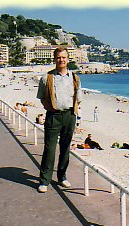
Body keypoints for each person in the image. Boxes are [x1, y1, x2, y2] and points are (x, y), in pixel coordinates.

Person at [36, 46, 82, 193]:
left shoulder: (75, 78)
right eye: (58, 57)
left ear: (68, 59)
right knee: (49, 148)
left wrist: (73, 112)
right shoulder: (47, 77)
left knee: (65, 148)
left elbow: (78, 98)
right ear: (54, 59)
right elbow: (42, 98)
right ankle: (44, 180)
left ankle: (62, 177)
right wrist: (51, 109)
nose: (61, 60)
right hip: (53, 116)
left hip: (69, 116)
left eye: (64, 57)